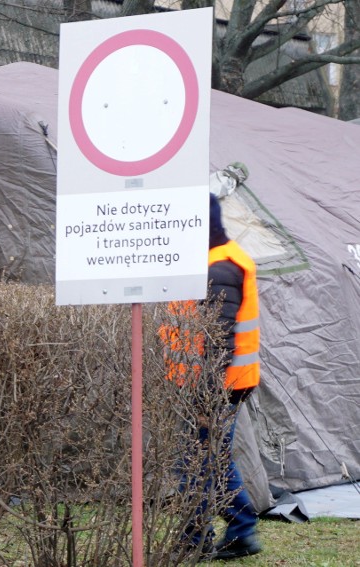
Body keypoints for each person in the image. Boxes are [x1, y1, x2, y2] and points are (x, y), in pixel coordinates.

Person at [163, 193, 262, 560]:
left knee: (201, 460)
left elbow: (219, 341)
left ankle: (220, 532)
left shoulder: (219, 267)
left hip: (217, 387)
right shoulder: (215, 259)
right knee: (206, 458)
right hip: (220, 384)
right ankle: (220, 532)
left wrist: (206, 398)